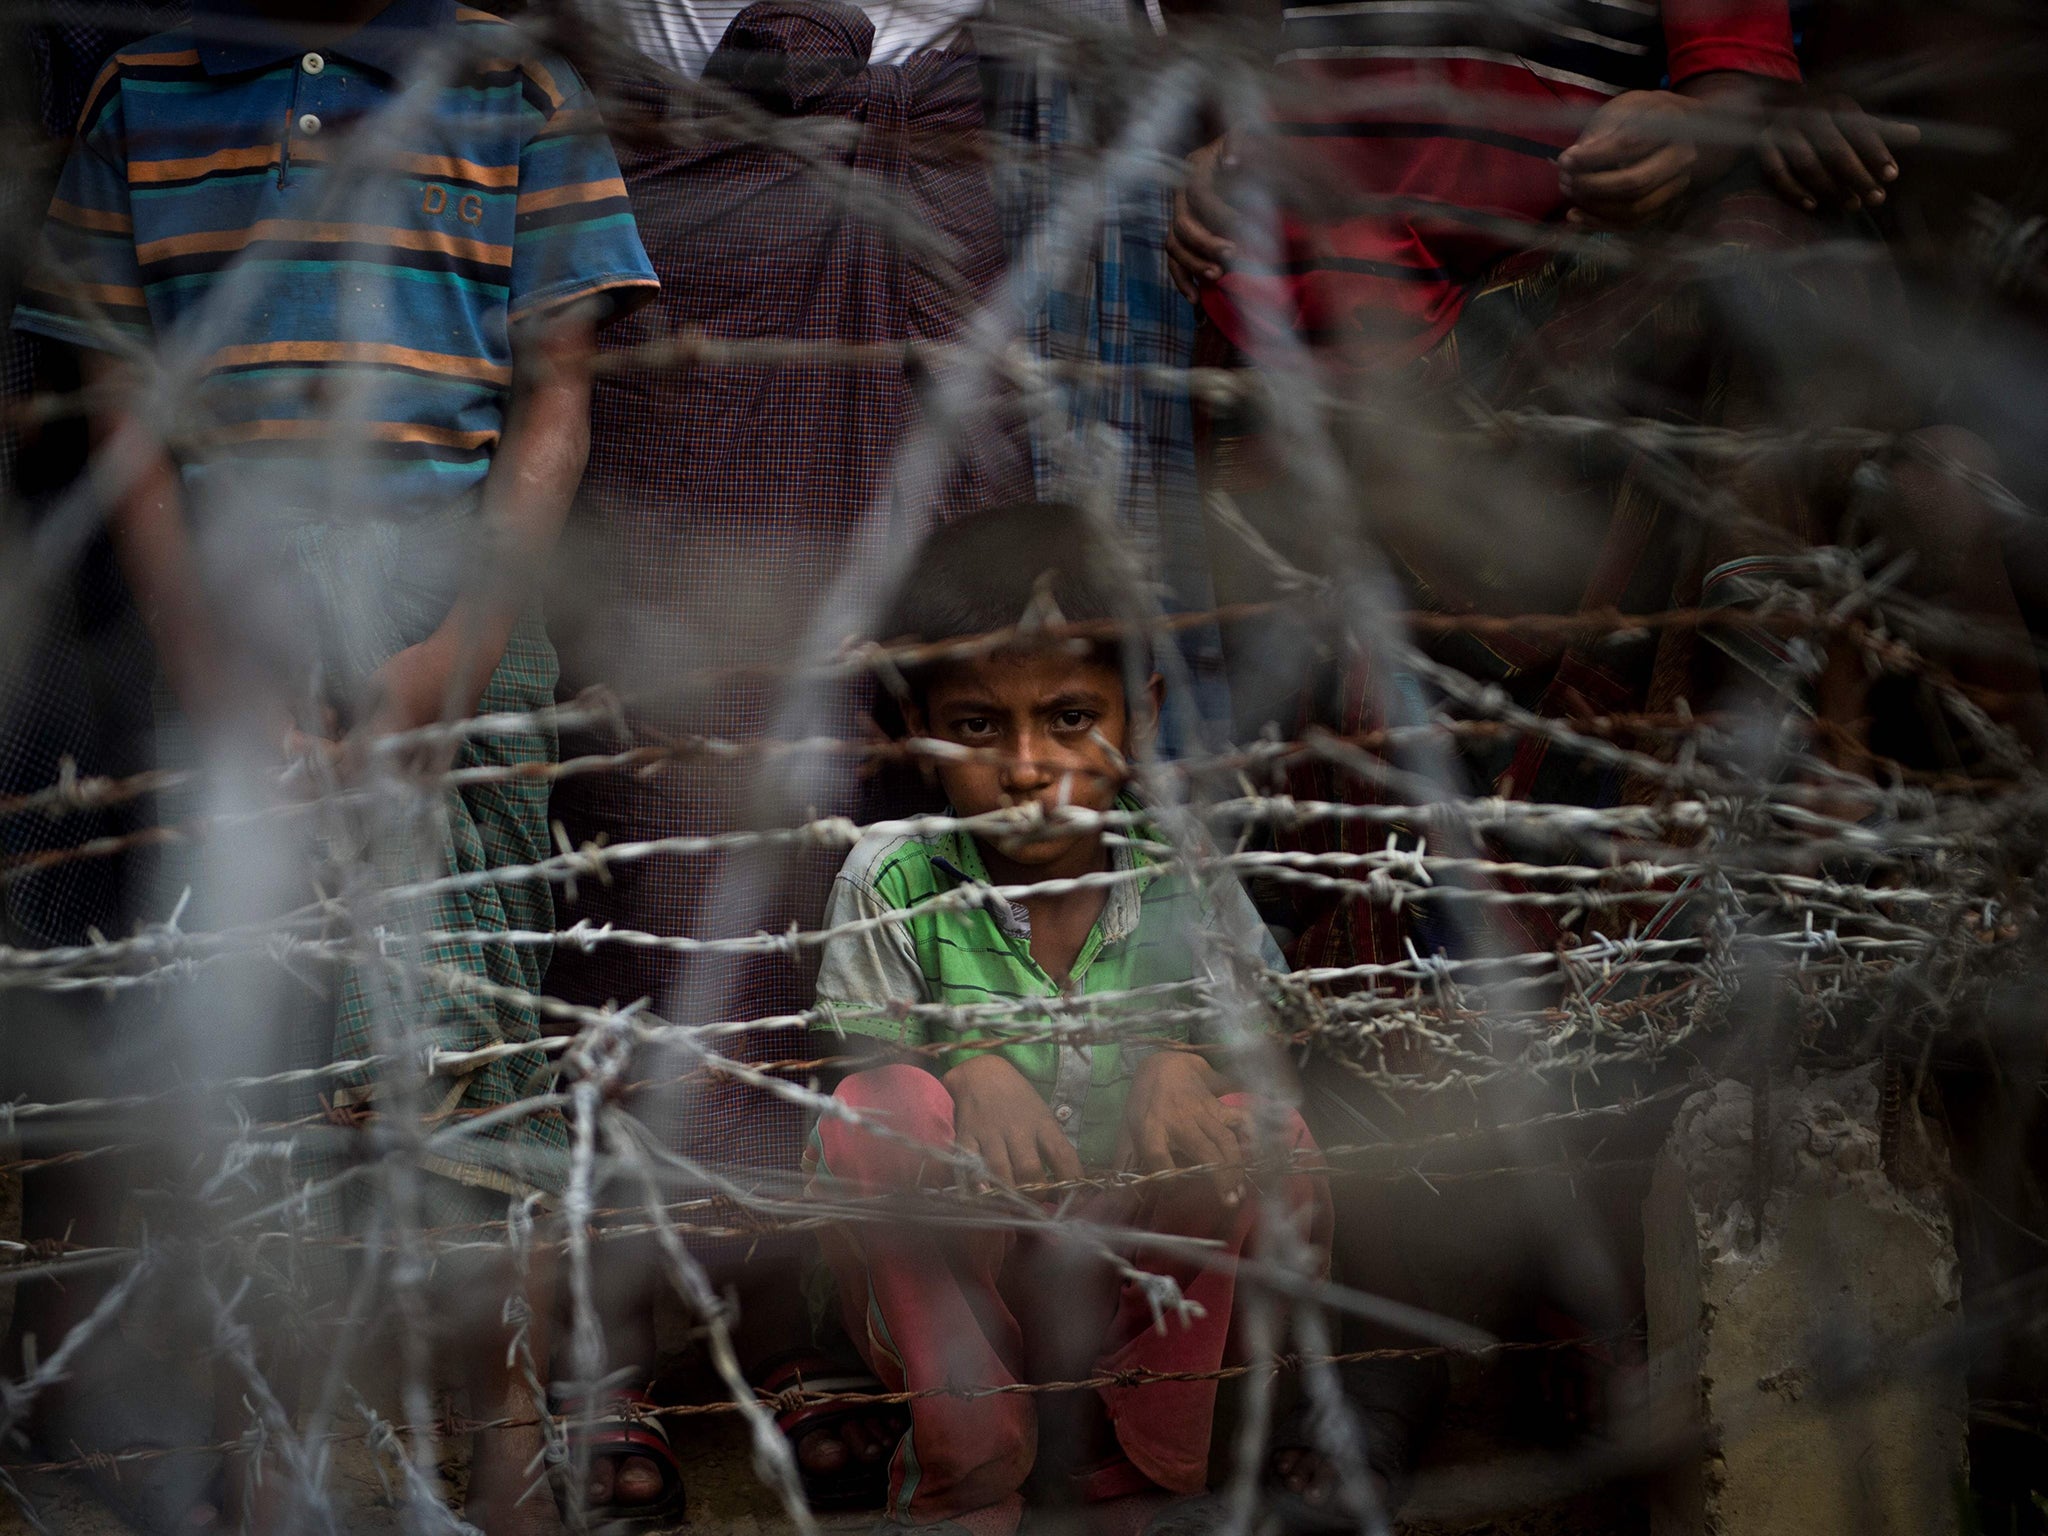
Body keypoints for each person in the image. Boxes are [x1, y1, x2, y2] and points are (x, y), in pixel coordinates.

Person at [11, 0, 656, 1528]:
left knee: (468, 1041)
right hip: (227, 611)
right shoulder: (148, 91)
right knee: (265, 1064)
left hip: (456, 599)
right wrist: (219, 671)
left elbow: (554, 393)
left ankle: (504, 1459)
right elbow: (129, 412)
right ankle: (292, 1460)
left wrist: (464, 655)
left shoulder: (516, 89)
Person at [804, 502, 1333, 1536]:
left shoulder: (1177, 864)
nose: (1028, 770)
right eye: (975, 726)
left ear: (1135, 710)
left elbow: (1274, 1027)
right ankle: (968, 1455)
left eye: (1068, 719)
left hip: (1138, 1254)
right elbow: (858, 1052)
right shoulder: (892, 872)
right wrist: (969, 1061)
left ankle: (1140, 1450)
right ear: (918, 729)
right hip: (965, 1262)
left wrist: (1178, 1055)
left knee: (1271, 1131)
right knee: (882, 1107)